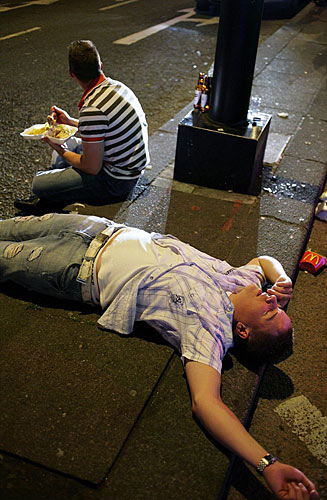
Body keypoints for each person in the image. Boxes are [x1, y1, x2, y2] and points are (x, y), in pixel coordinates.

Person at [0, 213, 319, 500]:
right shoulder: (243, 281)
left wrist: (267, 464)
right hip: (101, 229)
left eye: (271, 313)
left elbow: (207, 403)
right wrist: (282, 277)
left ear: (243, 331)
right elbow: (263, 260)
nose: (273, 302)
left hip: (76, 268)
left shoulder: (209, 331)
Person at [14, 40, 150, 214]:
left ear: (72, 74)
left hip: (116, 180)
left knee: (39, 183)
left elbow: (91, 167)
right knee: (62, 154)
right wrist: (70, 121)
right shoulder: (117, 87)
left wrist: (60, 148)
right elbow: (106, 128)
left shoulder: (93, 108)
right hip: (130, 167)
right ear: (100, 65)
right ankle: (60, 191)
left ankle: (55, 198)